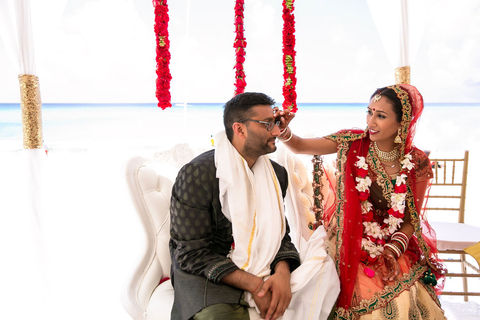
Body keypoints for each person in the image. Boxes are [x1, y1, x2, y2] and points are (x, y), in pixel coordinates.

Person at [275, 84, 446, 319]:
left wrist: (392, 249)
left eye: (381, 116)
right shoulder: (352, 142)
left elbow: (410, 218)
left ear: (402, 123)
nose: (371, 122)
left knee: (403, 296)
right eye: (369, 112)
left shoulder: (417, 162)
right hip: (349, 236)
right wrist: (284, 132)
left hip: (394, 242)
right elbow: (300, 146)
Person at [169, 92, 339, 320]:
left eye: (276, 123)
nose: (277, 132)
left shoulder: (277, 174)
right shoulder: (198, 174)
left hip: (265, 267)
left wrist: (281, 274)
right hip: (210, 276)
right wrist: (256, 286)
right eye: (267, 125)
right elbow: (191, 253)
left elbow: (281, 236)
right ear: (239, 129)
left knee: (323, 287)